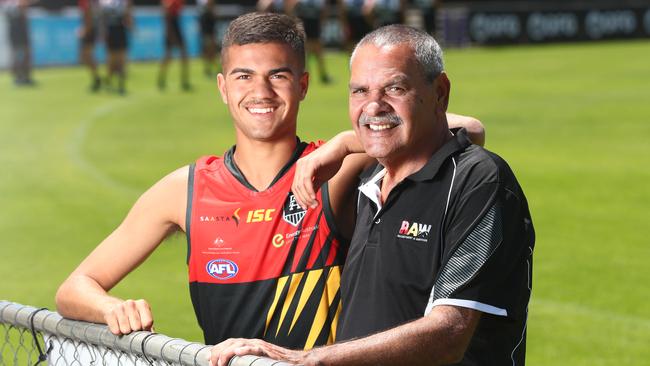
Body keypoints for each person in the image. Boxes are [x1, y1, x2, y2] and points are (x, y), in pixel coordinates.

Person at [55, 13, 484, 350]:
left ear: (302, 85)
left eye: (277, 76)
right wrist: (113, 307)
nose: (260, 92)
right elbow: (74, 288)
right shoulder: (183, 190)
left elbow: (469, 131)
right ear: (223, 88)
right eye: (244, 76)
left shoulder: (338, 171)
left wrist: (341, 144)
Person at [208, 24, 534, 366]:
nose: (373, 105)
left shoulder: (479, 180)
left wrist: (310, 360)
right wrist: (347, 142)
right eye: (360, 91)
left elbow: (449, 333)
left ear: (440, 92)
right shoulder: (370, 180)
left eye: (395, 88)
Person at [285, 0, 331, 84]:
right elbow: (291, 11)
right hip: (305, 27)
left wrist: (322, 23)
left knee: (318, 52)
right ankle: (307, 76)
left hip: (315, 26)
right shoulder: (299, 2)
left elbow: (324, 12)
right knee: (306, 53)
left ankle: (323, 75)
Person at [99, 0, 132, 95]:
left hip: (114, 32)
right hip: (117, 32)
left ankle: (116, 83)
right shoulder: (121, 3)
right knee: (118, 59)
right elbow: (127, 18)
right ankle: (118, 84)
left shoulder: (107, 3)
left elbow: (103, 19)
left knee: (115, 59)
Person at [158, 0, 191, 91]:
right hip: (172, 26)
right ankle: (163, 79)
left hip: (174, 25)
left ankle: (183, 80)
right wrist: (171, 34)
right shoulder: (171, 2)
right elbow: (166, 14)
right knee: (170, 56)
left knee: (178, 56)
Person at [4, 0, 35, 86]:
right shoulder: (11, 7)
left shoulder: (19, 9)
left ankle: (26, 77)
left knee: (26, 57)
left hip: (23, 37)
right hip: (16, 37)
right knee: (17, 58)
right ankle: (18, 78)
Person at [78, 0, 101, 91]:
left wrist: (85, 30)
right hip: (91, 29)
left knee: (86, 56)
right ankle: (96, 77)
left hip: (90, 31)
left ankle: (97, 78)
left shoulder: (86, 2)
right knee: (86, 56)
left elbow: (88, 15)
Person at [196, 0, 218, 78]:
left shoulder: (211, 14)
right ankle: (208, 67)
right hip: (207, 34)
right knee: (208, 51)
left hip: (210, 34)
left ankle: (210, 67)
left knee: (212, 51)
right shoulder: (204, 15)